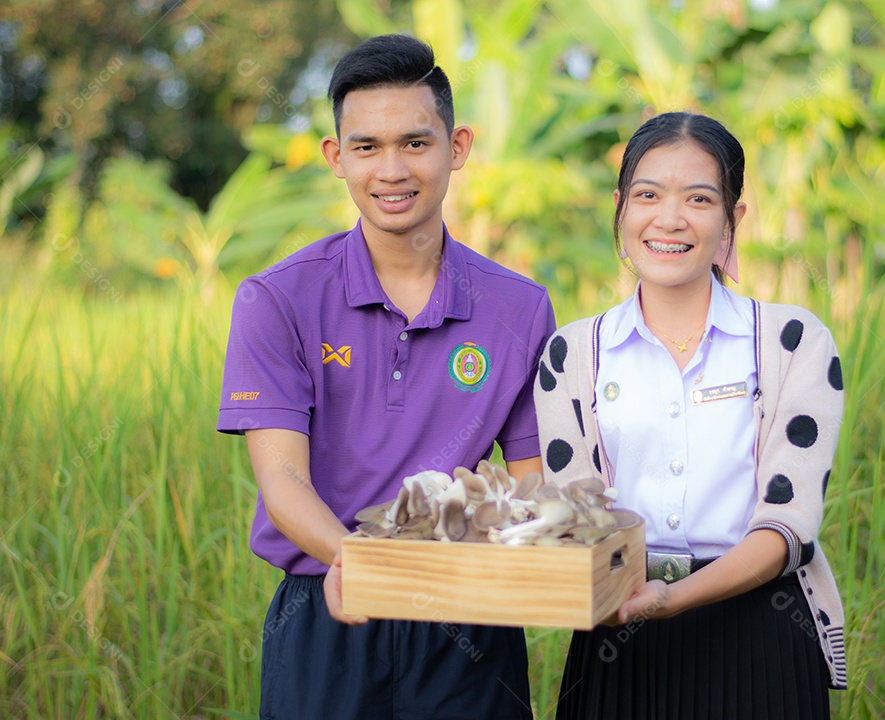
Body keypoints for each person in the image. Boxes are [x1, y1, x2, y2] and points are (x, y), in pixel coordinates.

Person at [217, 34, 554, 720]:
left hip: (469, 619)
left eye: (416, 143)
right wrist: (366, 565)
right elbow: (282, 481)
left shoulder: (520, 308)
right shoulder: (277, 298)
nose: (392, 169)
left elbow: (531, 476)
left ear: (456, 149)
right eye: (367, 147)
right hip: (329, 601)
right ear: (337, 159)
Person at [534, 111, 847, 719]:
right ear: (621, 207)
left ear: (733, 219)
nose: (669, 219)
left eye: (699, 199)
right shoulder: (571, 353)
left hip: (761, 636)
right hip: (616, 632)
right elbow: (575, 512)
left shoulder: (790, 342)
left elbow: (789, 526)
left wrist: (673, 599)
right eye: (648, 195)